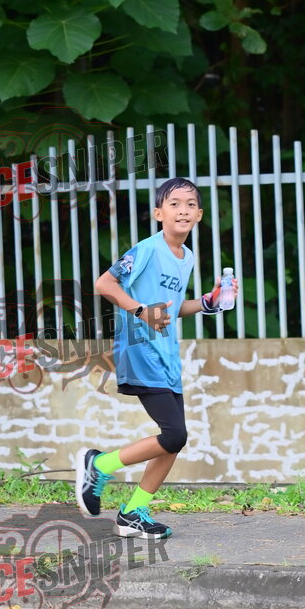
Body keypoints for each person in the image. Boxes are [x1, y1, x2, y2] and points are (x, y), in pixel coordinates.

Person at [75, 177, 239, 540]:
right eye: (174, 203)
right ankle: (99, 464)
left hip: (166, 354)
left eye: (190, 204)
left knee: (174, 439)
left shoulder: (187, 257)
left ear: (199, 214)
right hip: (140, 349)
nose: (183, 210)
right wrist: (141, 311)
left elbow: (172, 307)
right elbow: (105, 284)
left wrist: (209, 302)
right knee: (175, 434)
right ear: (158, 213)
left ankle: (133, 512)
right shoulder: (147, 249)